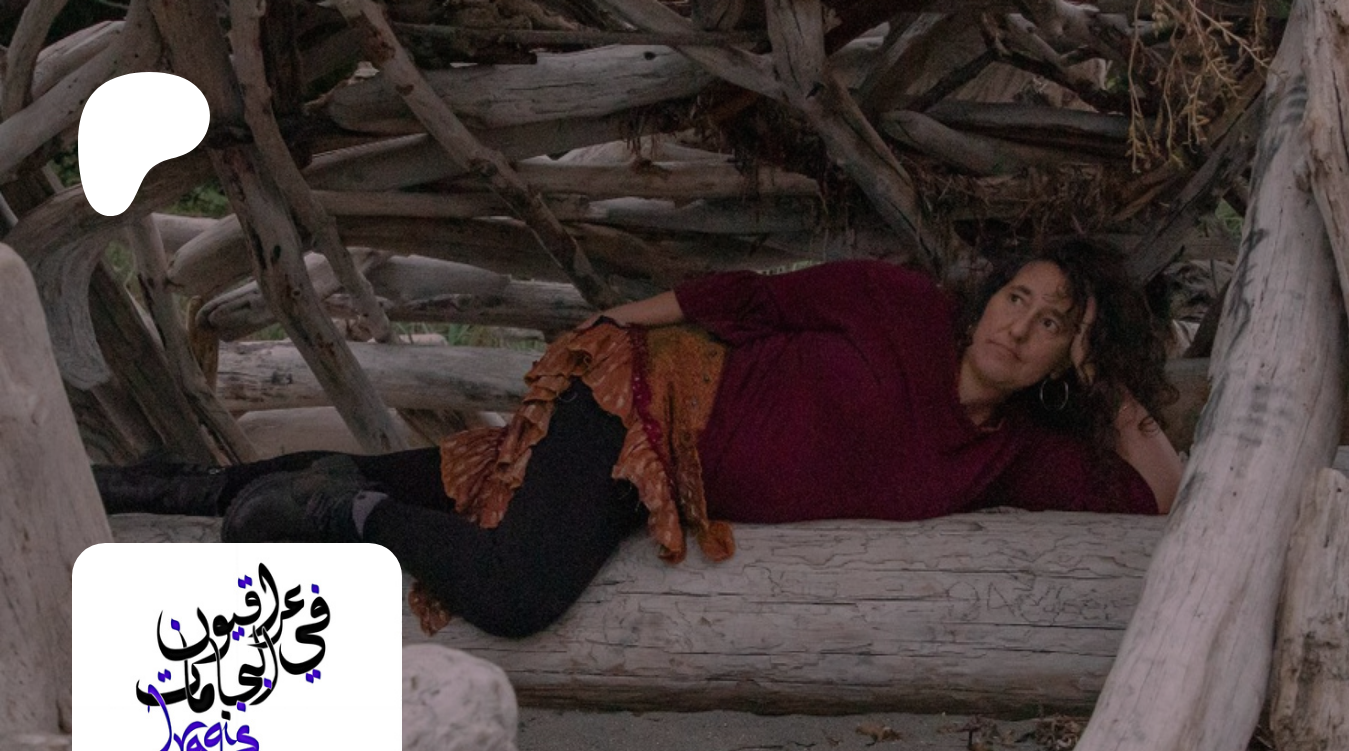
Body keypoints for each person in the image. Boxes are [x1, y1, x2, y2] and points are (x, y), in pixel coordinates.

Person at [96, 237, 1184, 638]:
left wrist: (1111, 383)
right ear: (992, 291)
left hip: (664, 482)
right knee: (520, 592)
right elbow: (747, 296)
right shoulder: (899, 305)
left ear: (1068, 359)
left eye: (1053, 326)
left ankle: (177, 488)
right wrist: (610, 328)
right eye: (1019, 297)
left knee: (449, 477)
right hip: (647, 402)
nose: (1018, 327)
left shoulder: (1012, 454)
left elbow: (1160, 494)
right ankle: (348, 517)